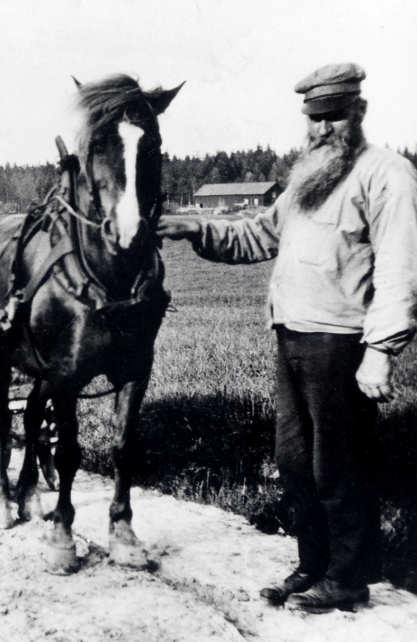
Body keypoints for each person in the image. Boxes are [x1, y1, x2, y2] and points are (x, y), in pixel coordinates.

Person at [158, 63, 417, 613]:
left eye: (333, 117)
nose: (322, 128)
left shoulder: (387, 174)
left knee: (338, 464)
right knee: (295, 461)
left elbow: (400, 268)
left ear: (359, 113)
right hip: (291, 337)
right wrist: (194, 228)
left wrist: (380, 352)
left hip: (342, 344)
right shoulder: (307, 178)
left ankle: (348, 577)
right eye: (314, 119)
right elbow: (258, 234)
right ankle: (313, 565)